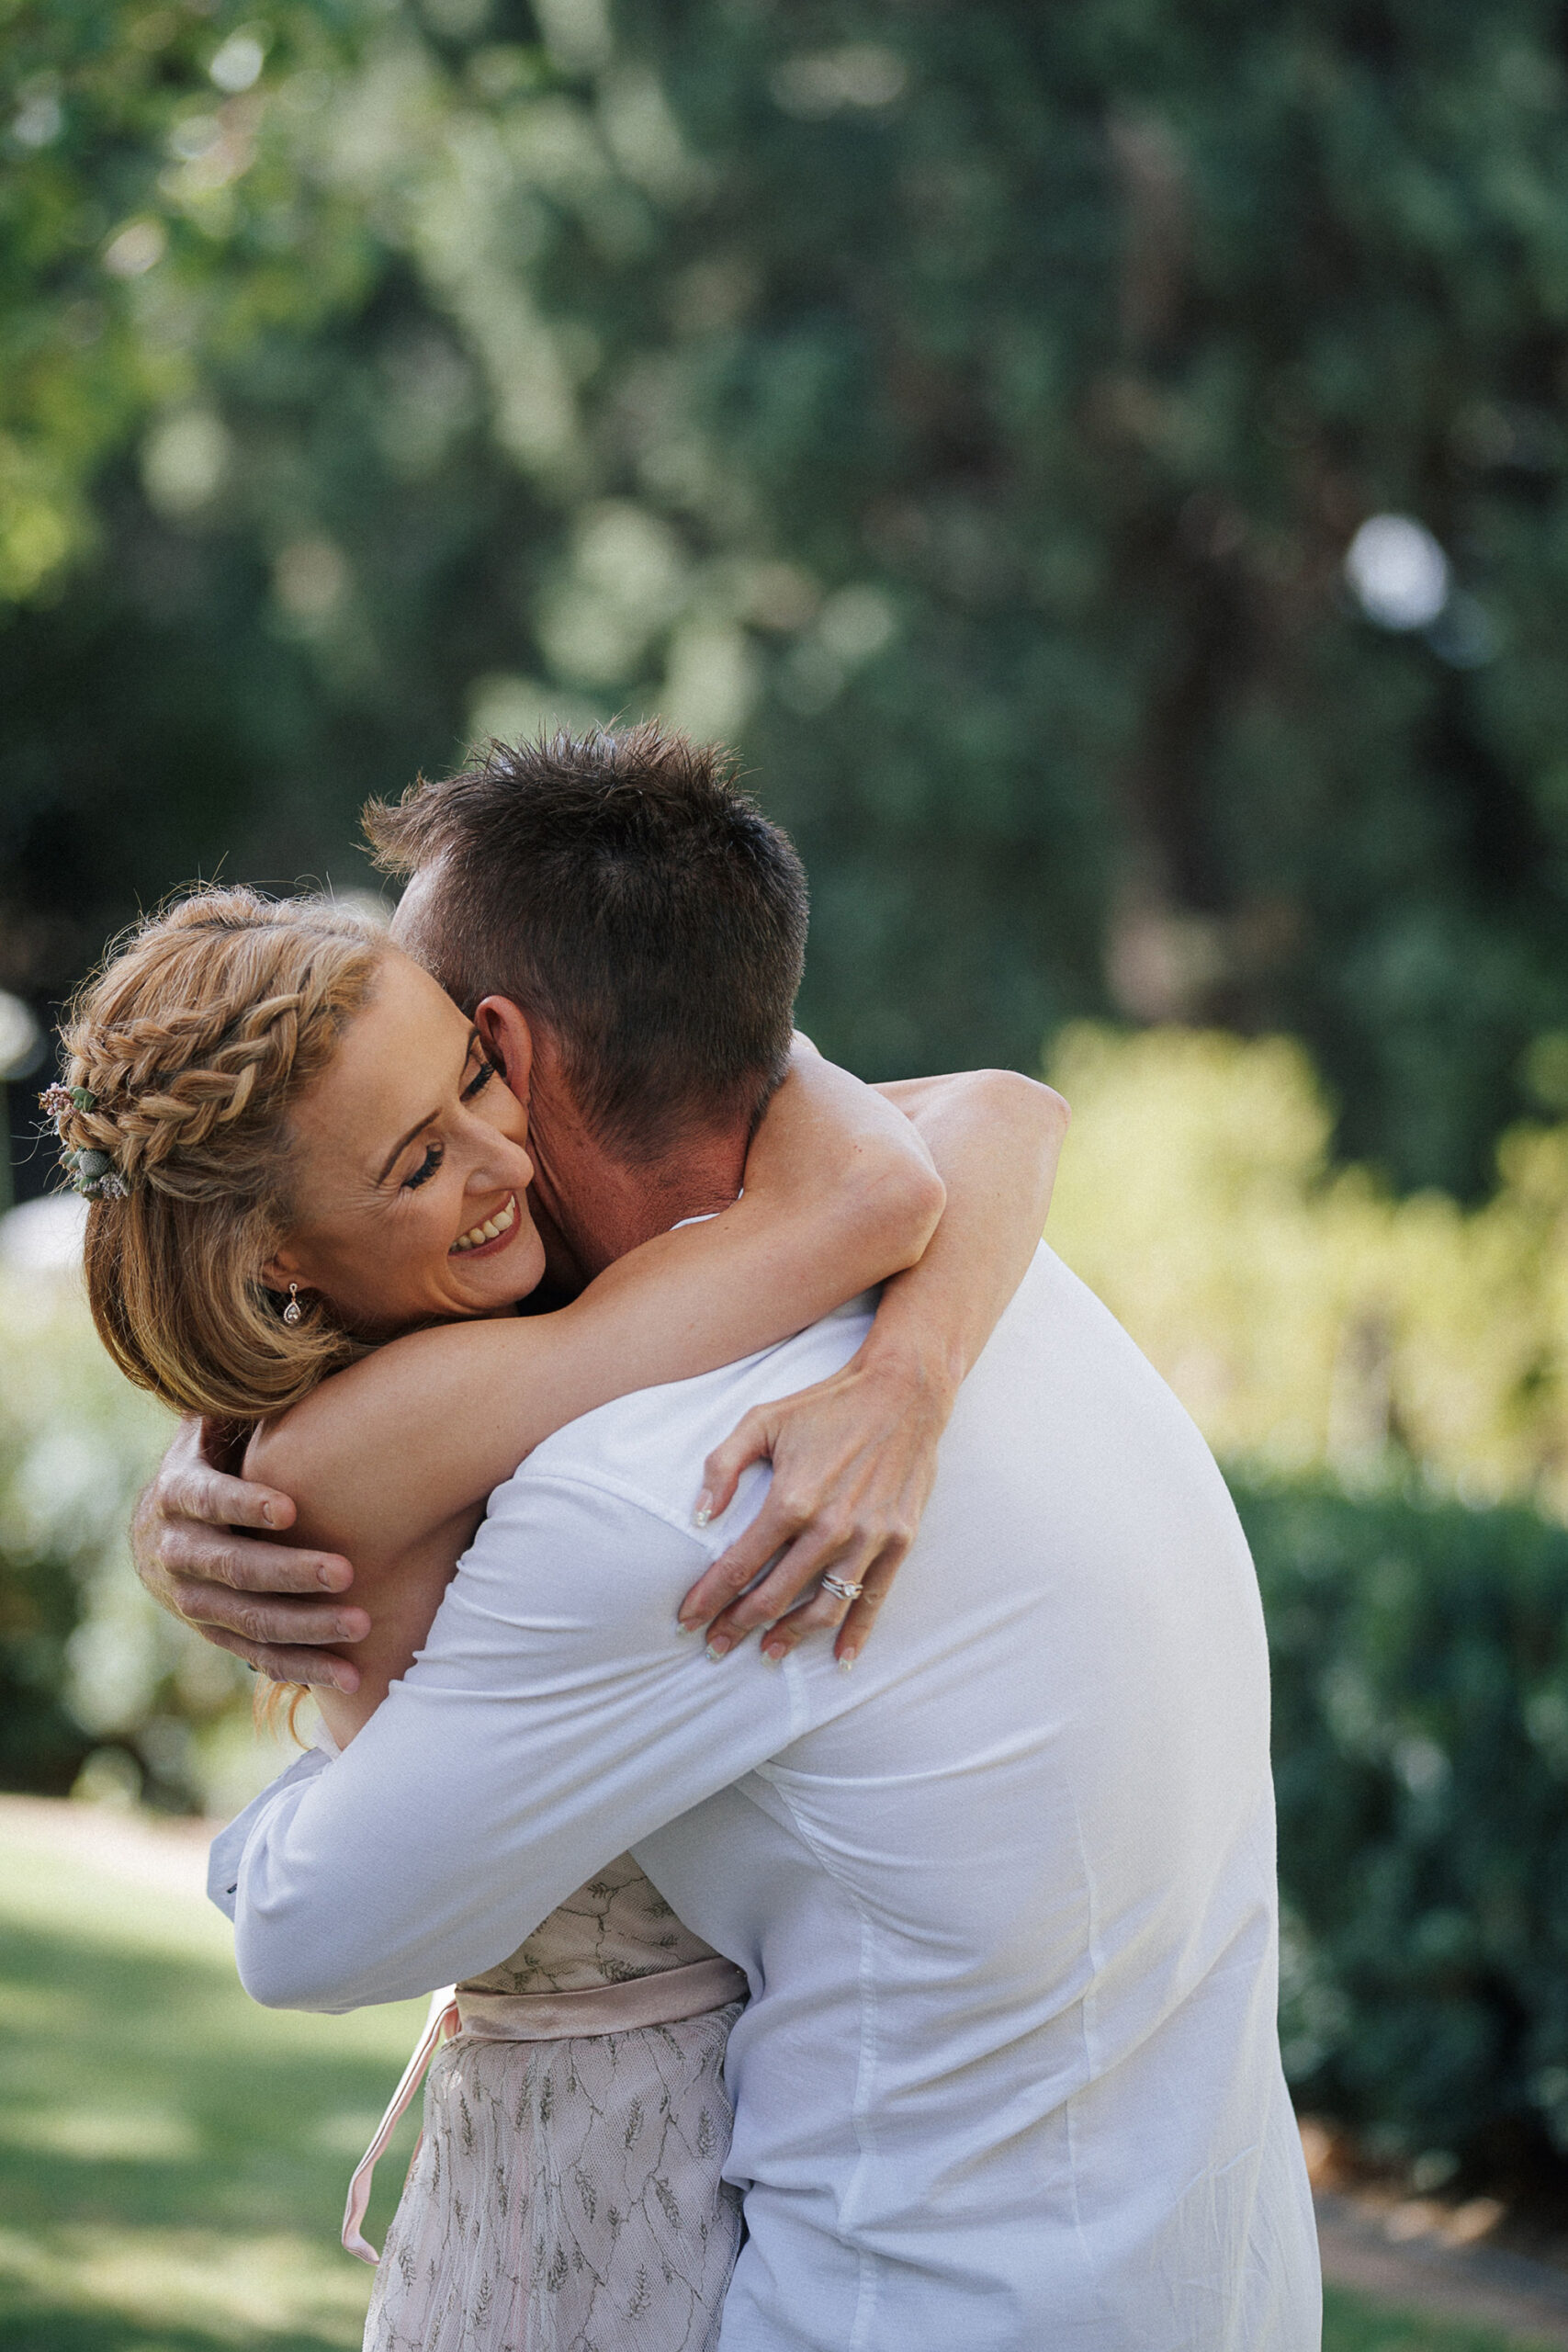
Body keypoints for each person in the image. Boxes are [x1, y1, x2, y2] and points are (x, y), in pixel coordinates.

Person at [141, 726, 1321, 2346]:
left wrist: (281, 1612)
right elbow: (978, 1111)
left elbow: (313, 1929)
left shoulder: (658, 1485)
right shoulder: (1023, 1299)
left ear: (498, 1042)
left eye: (443, 1076)